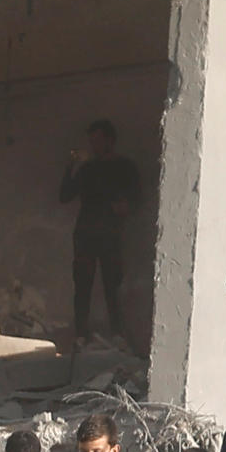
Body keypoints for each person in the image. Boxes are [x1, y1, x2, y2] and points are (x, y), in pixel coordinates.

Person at [57, 119, 144, 349]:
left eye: (98, 140)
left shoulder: (124, 167)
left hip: (110, 233)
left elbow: (137, 197)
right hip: (85, 233)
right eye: (91, 141)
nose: (93, 145)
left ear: (109, 141)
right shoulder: (87, 169)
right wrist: (70, 165)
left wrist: (126, 206)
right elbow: (65, 195)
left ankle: (117, 333)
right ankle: (81, 334)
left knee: (112, 284)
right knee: (82, 285)